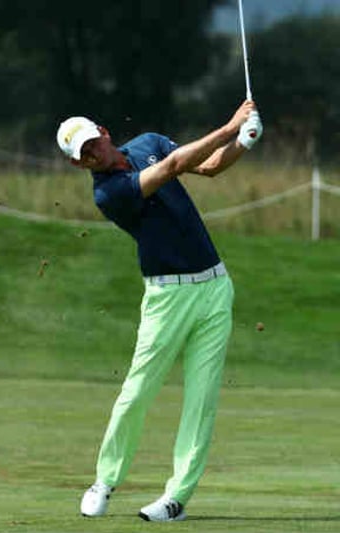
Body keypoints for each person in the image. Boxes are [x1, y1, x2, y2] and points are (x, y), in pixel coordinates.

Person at [60, 100, 261, 522]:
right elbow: (170, 168)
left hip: (215, 287)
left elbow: (206, 167)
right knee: (137, 392)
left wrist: (243, 140)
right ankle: (105, 480)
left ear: (103, 131)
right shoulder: (108, 194)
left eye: (92, 144)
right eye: (83, 156)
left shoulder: (148, 142)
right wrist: (229, 126)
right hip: (166, 298)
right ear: (79, 165)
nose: (92, 155)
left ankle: (177, 498)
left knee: (201, 399)